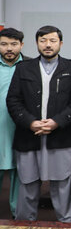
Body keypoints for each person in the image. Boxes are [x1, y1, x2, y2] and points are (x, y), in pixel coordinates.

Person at [7, 26, 71, 222]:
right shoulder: (23, 68)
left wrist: (57, 122)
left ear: (61, 43)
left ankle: (67, 228)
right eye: (43, 41)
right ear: (37, 43)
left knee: (62, 185)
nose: (47, 45)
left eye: (52, 40)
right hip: (28, 135)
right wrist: (30, 122)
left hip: (60, 136)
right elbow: (13, 100)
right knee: (28, 185)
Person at [0, 28, 24, 217]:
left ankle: (19, 217)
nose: (9, 48)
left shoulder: (30, 66)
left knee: (21, 174)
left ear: (21, 45)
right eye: (4, 44)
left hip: (22, 130)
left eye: (14, 44)